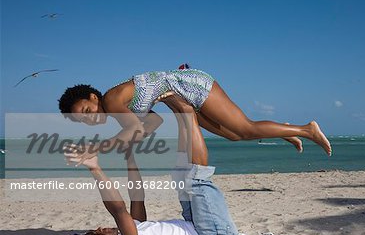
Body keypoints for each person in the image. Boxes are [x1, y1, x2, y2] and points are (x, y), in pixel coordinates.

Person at [65, 103, 239, 235]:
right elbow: (118, 210)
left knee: (180, 174)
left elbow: (137, 196)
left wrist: (129, 157)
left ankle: (183, 117)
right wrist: (95, 169)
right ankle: (187, 110)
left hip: (196, 226)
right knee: (197, 179)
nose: (100, 229)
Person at [58, 67, 332, 165]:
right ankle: (286, 130)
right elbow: (151, 122)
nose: (89, 118)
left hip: (190, 85)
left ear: (93, 97)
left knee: (245, 128)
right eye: (82, 120)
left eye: (86, 110)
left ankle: (307, 129)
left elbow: (133, 130)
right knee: (235, 135)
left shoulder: (111, 99)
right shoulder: (117, 107)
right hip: (181, 96)